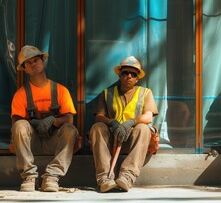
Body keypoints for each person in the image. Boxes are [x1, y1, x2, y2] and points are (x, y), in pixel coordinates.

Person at [10, 45, 79, 192]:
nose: (33, 64)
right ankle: (29, 176)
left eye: (36, 60)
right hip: (31, 144)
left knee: (70, 130)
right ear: (24, 69)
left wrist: (53, 121)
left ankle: (52, 177)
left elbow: (69, 119)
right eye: (28, 63)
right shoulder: (20, 95)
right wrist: (35, 123)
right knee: (20, 126)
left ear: (43, 61)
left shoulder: (61, 90)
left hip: (54, 143)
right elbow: (16, 124)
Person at [89, 56, 158, 193]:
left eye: (133, 74)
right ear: (119, 75)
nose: (129, 76)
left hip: (134, 139)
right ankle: (104, 179)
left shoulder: (145, 93)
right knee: (97, 128)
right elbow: (99, 117)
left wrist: (131, 122)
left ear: (137, 78)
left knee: (144, 129)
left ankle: (127, 177)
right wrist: (112, 123)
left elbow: (148, 116)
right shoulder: (107, 93)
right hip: (112, 137)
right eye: (125, 73)